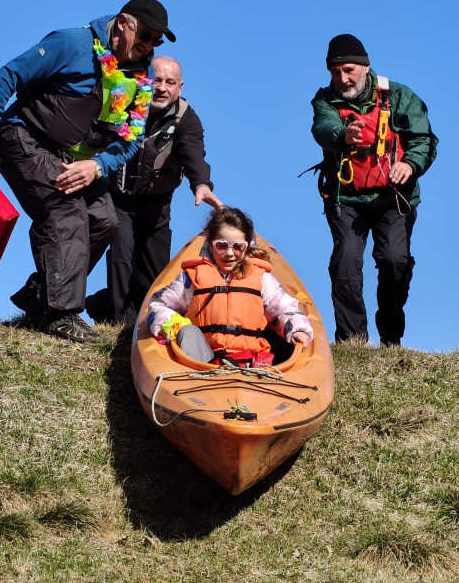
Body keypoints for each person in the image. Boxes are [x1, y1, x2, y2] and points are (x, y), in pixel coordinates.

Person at [0, 0, 176, 343]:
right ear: (122, 23)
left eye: (155, 41)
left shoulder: (142, 77)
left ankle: (41, 293)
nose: (148, 46)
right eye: (144, 35)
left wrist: (97, 166)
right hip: (22, 139)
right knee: (66, 209)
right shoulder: (71, 43)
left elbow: (132, 139)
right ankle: (61, 315)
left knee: (105, 220)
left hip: (74, 159)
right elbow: (8, 75)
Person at [310, 34, 438, 347]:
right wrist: (343, 134)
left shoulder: (399, 96)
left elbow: (424, 139)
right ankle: (352, 340)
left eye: (349, 70)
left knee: (395, 260)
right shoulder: (325, 99)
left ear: (365, 67)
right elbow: (323, 128)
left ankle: (390, 336)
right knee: (346, 260)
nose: (343, 78)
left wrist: (410, 164)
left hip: (394, 197)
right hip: (346, 197)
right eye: (335, 72)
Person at [85, 56, 222, 326]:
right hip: (117, 198)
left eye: (170, 82)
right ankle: (124, 327)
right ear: (144, 79)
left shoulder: (186, 118)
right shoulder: (122, 103)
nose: (162, 88)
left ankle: (101, 304)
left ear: (180, 87)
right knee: (122, 254)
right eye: (157, 80)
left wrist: (202, 185)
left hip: (156, 206)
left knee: (155, 277)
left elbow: (193, 153)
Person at [147, 207, 313, 367]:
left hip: (249, 361)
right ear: (211, 244)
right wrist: (169, 324)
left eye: (238, 247)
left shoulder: (261, 278)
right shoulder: (192, 277)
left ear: (247, 247)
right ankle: (195, 375)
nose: (229, 253)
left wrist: (297, 329)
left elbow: (284, 308)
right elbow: (159, 305)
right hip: (202, 361)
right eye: (221, 246)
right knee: (188, 331)